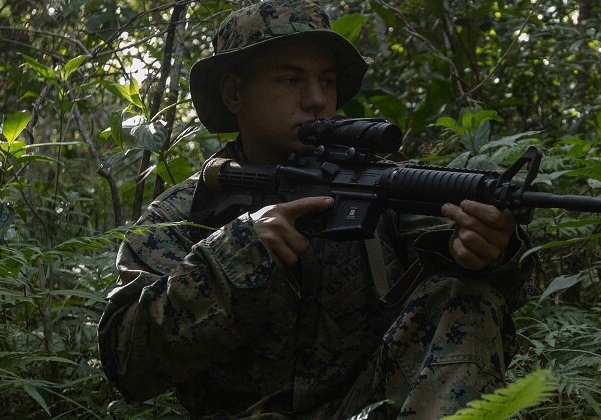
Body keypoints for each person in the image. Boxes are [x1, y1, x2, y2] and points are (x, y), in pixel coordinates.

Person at [96, 1, 535, 418]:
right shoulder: (182, 212)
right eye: (290, 80)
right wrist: (235, 255)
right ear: (234, 93)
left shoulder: (379, 185)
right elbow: (126, 363)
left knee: (467, 295)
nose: (316, 100)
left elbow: (492, 270)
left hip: (376, 406)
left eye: (327, 81)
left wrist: (493, 249)